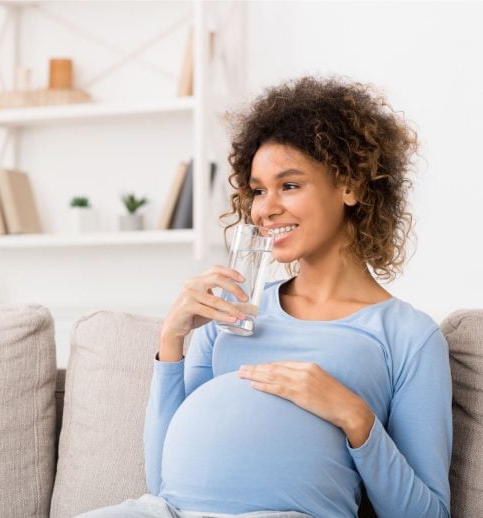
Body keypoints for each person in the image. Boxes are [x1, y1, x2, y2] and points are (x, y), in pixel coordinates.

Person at [77, 76, 451, 518]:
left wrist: (354, 416)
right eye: (257, 190)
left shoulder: (407, 335)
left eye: (289, 186)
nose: (264, 208)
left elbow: (427, 514)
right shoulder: (233, 311)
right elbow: (162, 483)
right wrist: (171, 342)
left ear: (349, 186)